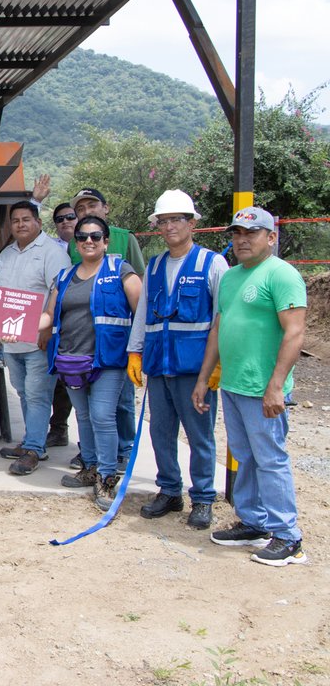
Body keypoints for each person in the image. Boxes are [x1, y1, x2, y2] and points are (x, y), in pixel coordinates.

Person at [194, 207, 308, 566]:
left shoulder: (282, 275)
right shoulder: (230, 278)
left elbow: (295, 331)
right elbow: (218, 329)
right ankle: (254, 522)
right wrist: (204, 379)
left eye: (251, 233)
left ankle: (288, 536)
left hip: (263, 388)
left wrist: (276, 386)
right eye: (237, 233)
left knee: (270, 459)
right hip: (233, 384)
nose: (241, 240)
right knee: (245, 456)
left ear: (271, 237)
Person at [126, 190, 227, 529]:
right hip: (159, 365)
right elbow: (143, 314)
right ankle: (169, 490)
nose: (169, 227)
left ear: (192, 223)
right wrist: (135, 352)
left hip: (195, 369)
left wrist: (216, 366)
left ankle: (203, 498)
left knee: (199, 436)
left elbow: (221, 318)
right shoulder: (153, 266)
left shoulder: (212, 264)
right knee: (162, 433)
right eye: (163, 221)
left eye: (176, 220)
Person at [42, 215, 142, 510]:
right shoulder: (65, 276)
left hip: (107, 360)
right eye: (83, 236)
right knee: (84, 417)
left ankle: (107, 478)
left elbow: (142, 311)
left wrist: (137, 352)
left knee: (102, 417)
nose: (89, 241)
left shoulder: (121, 271)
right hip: (71, 360)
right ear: (75, 242)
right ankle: (90, 467)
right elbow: (49, 315)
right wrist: (20, 325)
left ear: (106, 241)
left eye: (95, 236)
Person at [0, 201, 71, 475]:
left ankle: (34, 449)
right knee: (24, 391)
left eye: (26, 219)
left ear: (38, 221)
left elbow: (59, 293)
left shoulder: (52, 253)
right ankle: (31, 440)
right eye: (16, 220)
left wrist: (48, 330)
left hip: (39, 339)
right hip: (12, 340)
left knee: (38, 394)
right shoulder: (6, 256)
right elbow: (1, 297)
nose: (21, 225)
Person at [70, 187, 145, 471]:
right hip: (81, 345)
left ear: (106, 208)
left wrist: (138, 345)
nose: (86, 211)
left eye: (92, 205)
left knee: (121, 403)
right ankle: (91, 455)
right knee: (88, 411)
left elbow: (138, 291)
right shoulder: (71, 247)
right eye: (80, 208)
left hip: (117, 344)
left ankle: (122, 452)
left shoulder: (126, 240)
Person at [47, 201, 79, 448]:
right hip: (55, 322)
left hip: (80, 324)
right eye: (60, 219)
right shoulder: (53, 250)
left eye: (70, 217)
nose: (65, 221)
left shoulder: (87, 245)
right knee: (60, 380)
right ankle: (58, 428)